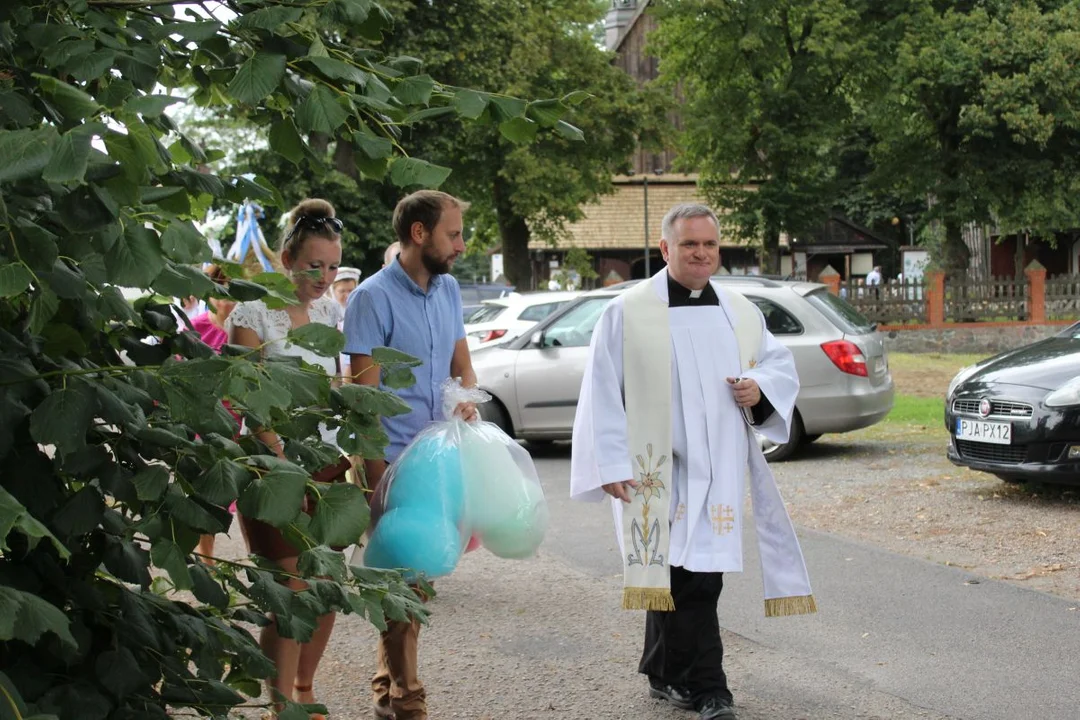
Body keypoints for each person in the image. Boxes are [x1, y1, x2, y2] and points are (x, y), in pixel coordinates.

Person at [569, 203, 815, 720]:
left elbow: (777, 365)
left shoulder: (738, 311)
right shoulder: (628, 310)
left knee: (691, 573)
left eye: (709, 245)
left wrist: (759, 389)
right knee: (685, 576)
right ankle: (709, 688)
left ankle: (664, 673)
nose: (701, 254)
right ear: (665, 249)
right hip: (654, 466)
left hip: (718, 465)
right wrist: (609, 461)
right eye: (689, 244)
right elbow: (601, 391)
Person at [344, 190, 478, 720]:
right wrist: (378, 482)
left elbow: (463, 366)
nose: (462, 245)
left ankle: (386, 683)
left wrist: (465, 399)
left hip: (439, 457)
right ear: (419, 234)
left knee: (413, 577)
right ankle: (408, 698)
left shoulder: (448, 290)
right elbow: (362, 399)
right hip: (391, 459)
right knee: (404, 582)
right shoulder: (371, 298)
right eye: (454, 233)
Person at [227, 198, 348, 719]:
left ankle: (303, 687)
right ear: (286, 259)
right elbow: (241, 393)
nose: (324, 277)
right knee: (289, 587)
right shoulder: (251, 312)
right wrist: (277, 451)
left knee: (324, 585)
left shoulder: (330, 311)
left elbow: (339, 384)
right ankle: (279, 705)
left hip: (325, 460)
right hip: (269, 466)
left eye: (332, 267)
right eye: (313, 265)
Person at [190, 264, 238, 566]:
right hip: (204, 421)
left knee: (229, 494)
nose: (228, 302)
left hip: (239, 423)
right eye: (221, 295)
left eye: (233, 295)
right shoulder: (193, 330)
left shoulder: (245, 331)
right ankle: (206, 558)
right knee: (206, 492)